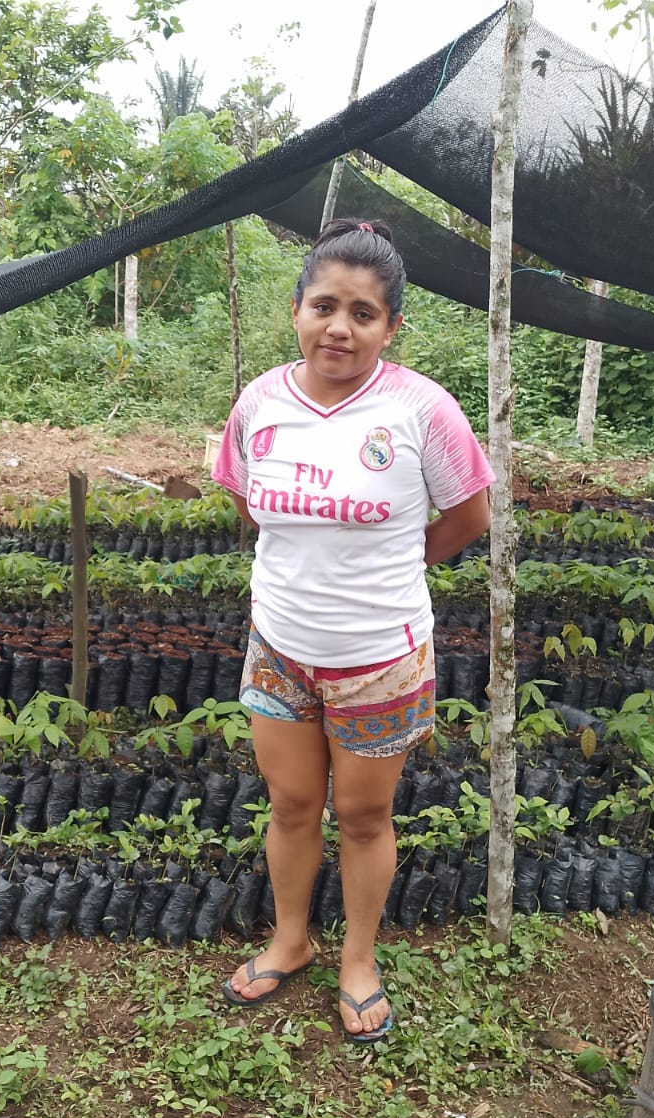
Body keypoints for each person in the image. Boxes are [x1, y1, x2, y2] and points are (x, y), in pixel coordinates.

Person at [210, 218, 494, 1043]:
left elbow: (469, 516)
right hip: (280, 648)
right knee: (292, 804)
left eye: (363, 314)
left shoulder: (422, 410)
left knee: (365, 819)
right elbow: (247, 499)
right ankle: (290, 940)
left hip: (379, 658)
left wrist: (399, 564)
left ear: (391, 326)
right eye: (324, 306)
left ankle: (358, 960)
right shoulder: (260, 402)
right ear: (296, 309)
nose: (339, 327)